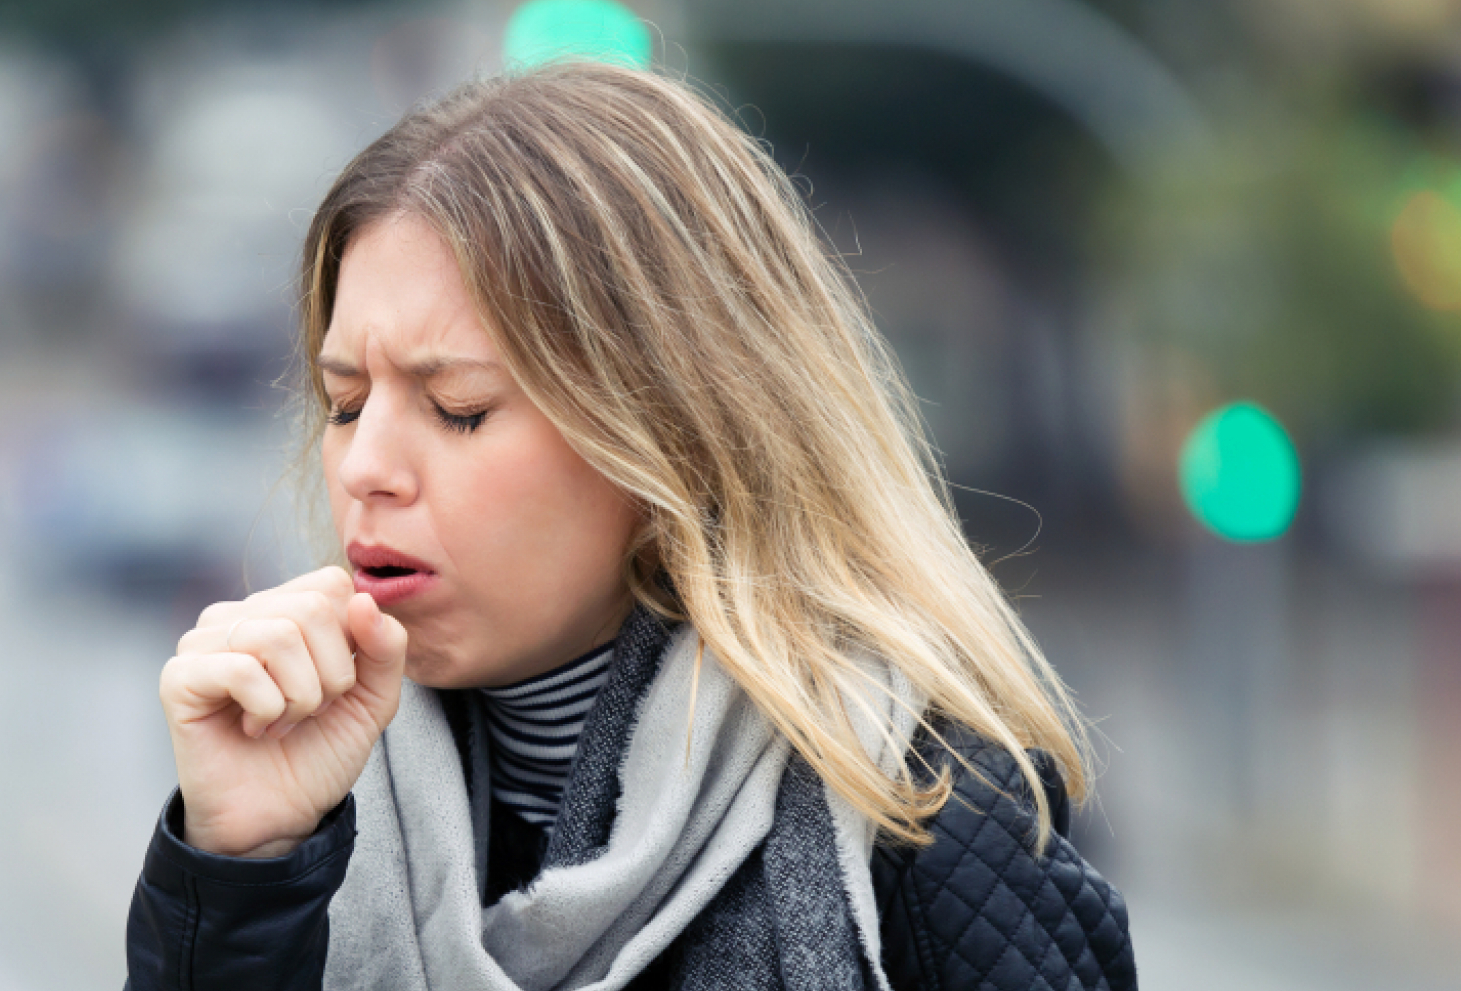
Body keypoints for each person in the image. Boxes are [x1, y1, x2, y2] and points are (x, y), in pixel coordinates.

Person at [126, 62, 1134, 991]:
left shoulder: (930, 816)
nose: (368, 470)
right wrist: (237, 873)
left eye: (459, 408)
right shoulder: (299, 811)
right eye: (345, 404)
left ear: (670, 431)